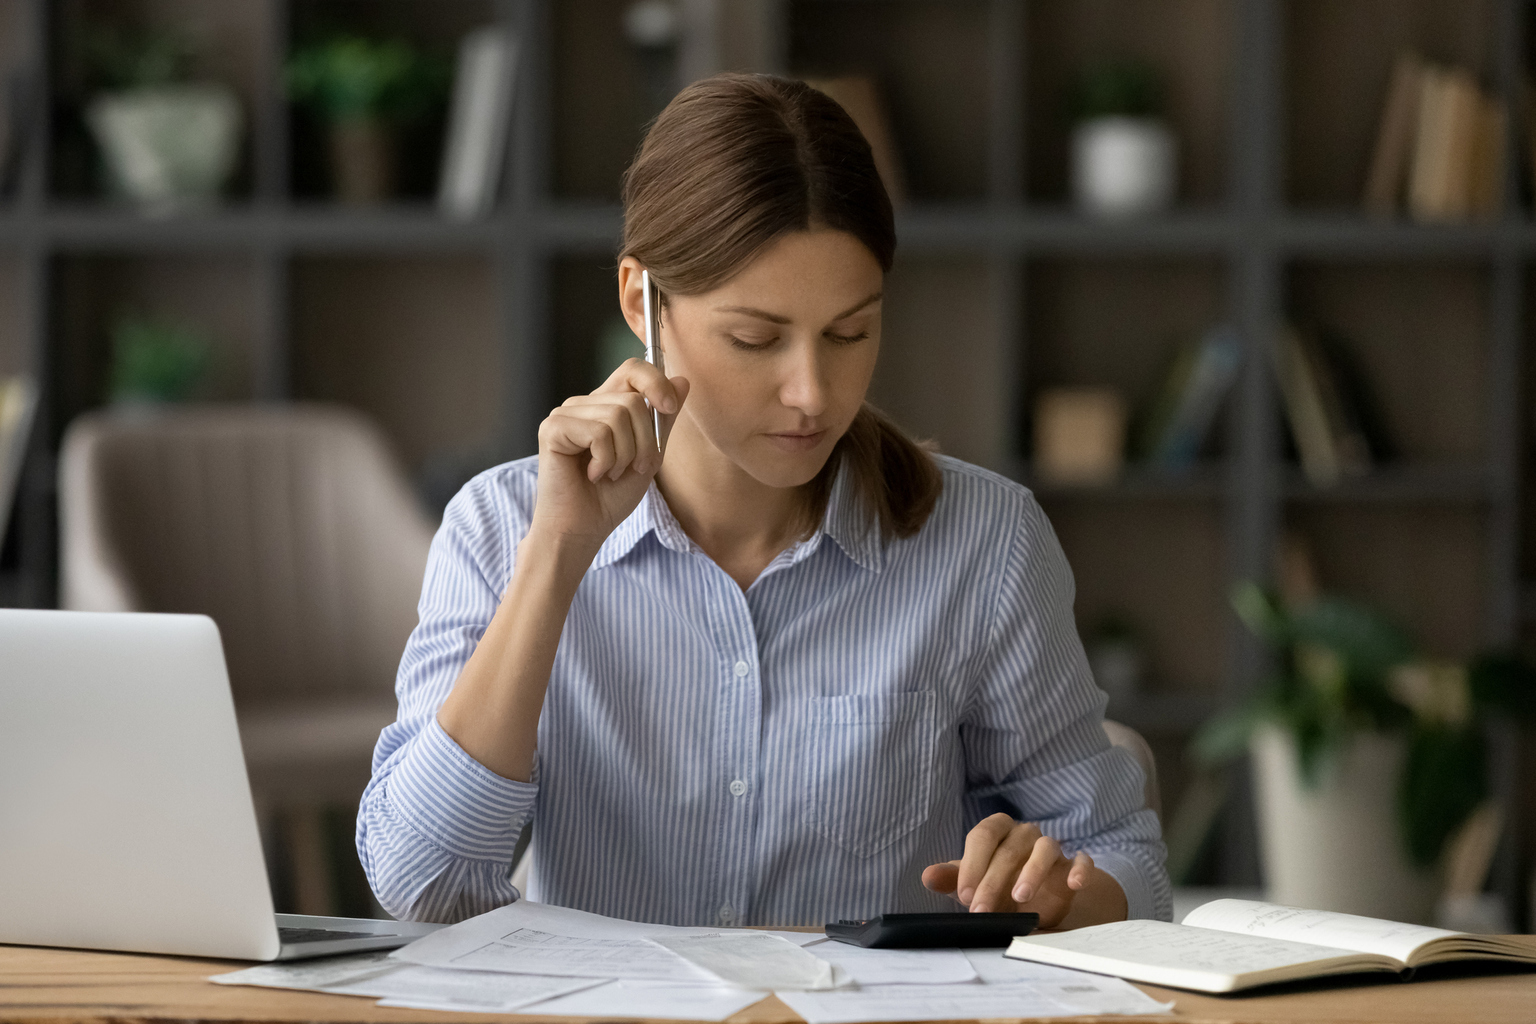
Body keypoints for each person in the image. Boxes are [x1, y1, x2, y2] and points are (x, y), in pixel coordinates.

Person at [358, 73, 1169, 929]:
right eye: (755, 339)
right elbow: (421, 887)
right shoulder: (500, 528)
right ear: (643, 301)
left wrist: (1061, 898)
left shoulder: (985, 544)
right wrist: (556, 557)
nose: (813, 393)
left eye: (850, 333)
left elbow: (1128, 862)